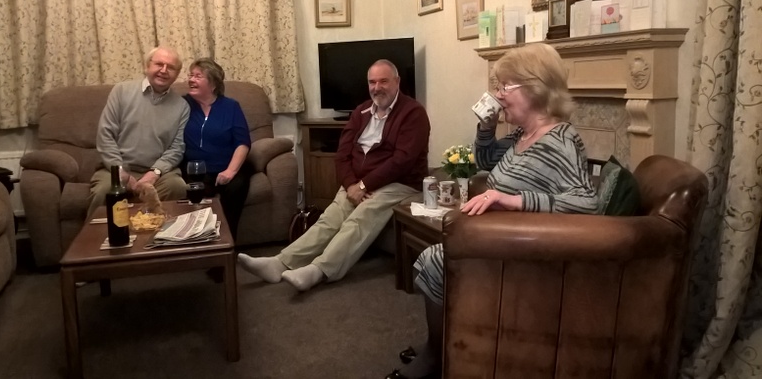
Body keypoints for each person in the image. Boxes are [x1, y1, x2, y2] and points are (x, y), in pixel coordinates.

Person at [387, 43, 598, 379]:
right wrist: (486, 127)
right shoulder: (523, 135)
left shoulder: (560, 141)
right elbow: (485, 160)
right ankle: (447, 344)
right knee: (439, 255)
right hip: (500, 243)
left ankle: (436, 357)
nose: (498, 95)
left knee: (437, 259)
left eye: (505, 87)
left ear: (535, 88)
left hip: (527, 257)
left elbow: (587, 203)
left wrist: (514, 200)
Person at [238, 59, 431, 292]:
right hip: (358, 182)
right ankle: (280, 263)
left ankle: (320, 270)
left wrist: (364, 185)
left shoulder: (413, 113)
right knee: (330, 217)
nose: (377, 87)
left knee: (362, 216)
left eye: (383, 81)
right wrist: (351, 185)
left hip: (399, 183)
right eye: (372, 82)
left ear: (397, 82)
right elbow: (342, 155)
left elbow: (402, 161)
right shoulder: (361, 112)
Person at [87, 46, 190, 219]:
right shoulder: (121, 91)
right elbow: (106, 136)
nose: (164, 70)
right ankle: (97, 236)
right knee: (103, 191)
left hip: (159, 173)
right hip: (116, 169)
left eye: (171, 67)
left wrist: (154, 173)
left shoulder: (182, 106)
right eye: (159, 64)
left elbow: (177, 148)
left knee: (177, 187)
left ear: (177, 74)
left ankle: (162, 233)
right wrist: (122, 174)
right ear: (147, 66)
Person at [181, 58, 253, 241]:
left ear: (213, 84)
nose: (191, 80)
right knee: (197, 191)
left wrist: (230, 171)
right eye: (190, 75)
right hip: (195, 168)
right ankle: (202, 245)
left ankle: (227, 243)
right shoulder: (182, 105)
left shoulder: (231, 106)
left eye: (198, 76)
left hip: (227, 165)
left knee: (237, 186)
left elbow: (242, 142)